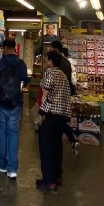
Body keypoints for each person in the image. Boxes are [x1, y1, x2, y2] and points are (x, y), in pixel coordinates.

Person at [36, 50, 72, 193]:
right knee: (57, 146)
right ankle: (57, 177)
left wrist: (41, 113)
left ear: (51, 61)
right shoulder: (63, 75)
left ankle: (49, 180)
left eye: (46, 60)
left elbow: (46, 95)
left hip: (50, 115)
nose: (45, 62)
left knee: (46, 147)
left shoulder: (50, 73)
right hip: (62, 116)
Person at [0, 39, 28, 179]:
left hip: (0, 104)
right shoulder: (21, 64)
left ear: (5, 48)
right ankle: (12, 169)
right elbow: (25, 81)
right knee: (13, 134)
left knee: (1, 133)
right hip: (15, 104)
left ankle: (1, 164)